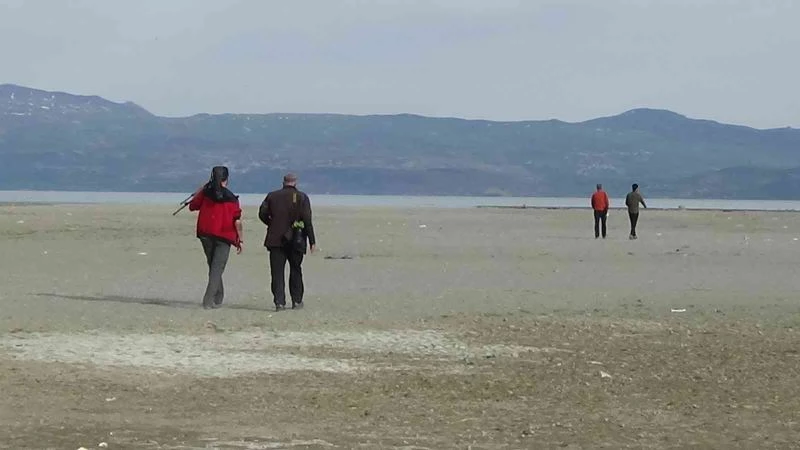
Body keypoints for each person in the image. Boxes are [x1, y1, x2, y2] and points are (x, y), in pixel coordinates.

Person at [258, 173, 316, 311]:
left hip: (275, 238)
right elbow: (307, 220)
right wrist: (312, 240)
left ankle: (279, 302)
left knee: (277, 272)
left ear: (283, 182)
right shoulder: (302, 197)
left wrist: (271, 223)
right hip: (297, 238)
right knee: (296, 269)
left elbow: (262, 213)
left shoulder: (272, 196)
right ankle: (296, 301)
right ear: (295, 182)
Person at [188, 166, 243, 309]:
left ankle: (218, 296)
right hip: (224, 235)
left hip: (205, 232)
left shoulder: (206, 193)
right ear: (226, 179)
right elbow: (237, 220)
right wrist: (240, 239)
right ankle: (208, 300)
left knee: (213, 266)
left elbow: (193, 205)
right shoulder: (232, 198)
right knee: (217, 268)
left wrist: (201, 189)